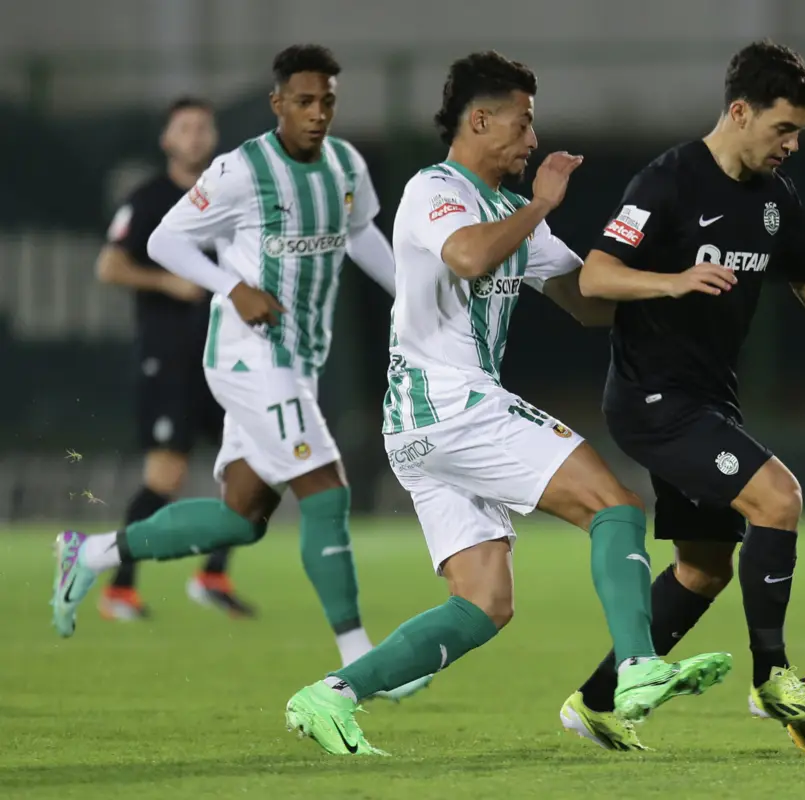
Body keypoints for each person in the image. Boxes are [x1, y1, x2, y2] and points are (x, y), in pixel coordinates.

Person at [282, 50, 732, 757]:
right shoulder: (437, 189)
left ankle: (330, 696)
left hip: (425, 425)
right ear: (480, 119)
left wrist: (674, 285)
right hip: (451, 404)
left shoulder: (509, 213)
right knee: (615, 507)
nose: (533, 141)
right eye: (523, 125)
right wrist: (543, 203)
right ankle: (638, 668)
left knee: (484, 603)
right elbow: (466, 257)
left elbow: (585, 301)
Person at [559, 40, 805, 751]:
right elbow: (597, 277)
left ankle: (597, 702)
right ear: (739, 112)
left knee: (703, 569)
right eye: (782, 129)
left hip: (709, 400)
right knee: (780, 498)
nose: (792, 145)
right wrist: (670, 281)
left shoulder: (774, 199)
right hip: (653, 399)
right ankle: (773, 680)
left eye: (798, 131)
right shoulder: (667, 180)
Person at [51, 44, 427, 700]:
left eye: (328, 102)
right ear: (277, 103)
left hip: (299, 361)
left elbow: (361, 232)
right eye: (304, 102)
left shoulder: (344, 164)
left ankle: (93, 554)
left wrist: (413, 297)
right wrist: (232, 287)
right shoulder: (241, 169)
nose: (317, 114)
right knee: (327, 489)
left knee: (241, 518)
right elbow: (165, 239)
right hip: (249, 358)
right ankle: (361, 663)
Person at [96, 96, 255, 621]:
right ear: (167, 140)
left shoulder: (227, 197)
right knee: (166, 476)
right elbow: (110, 266)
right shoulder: (148, 199)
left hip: (226, 357)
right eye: (184, 128)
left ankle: (212, 575)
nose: (194, 137)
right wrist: (166, 279)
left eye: (203, 128)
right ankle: (119, 587)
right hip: (170, 358)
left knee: (250, 467)